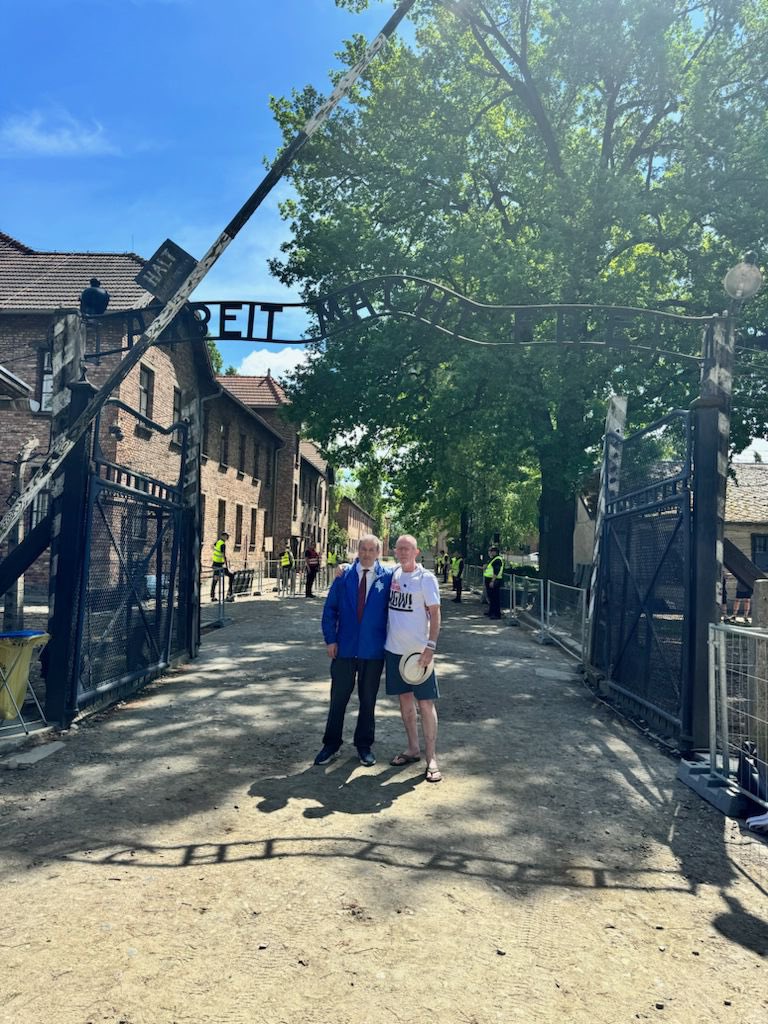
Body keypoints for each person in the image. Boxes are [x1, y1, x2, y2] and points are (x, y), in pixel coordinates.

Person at [316, 534, 392, 767]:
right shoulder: (344, 576)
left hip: (373, 650)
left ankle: (364, 744)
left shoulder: (389, 578)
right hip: (345, 649)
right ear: (357, 550)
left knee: (368, 700)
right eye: (363, 549)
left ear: (378, 552)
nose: (367, 553)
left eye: (372, 550)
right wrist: (330, 640)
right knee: (338, 699)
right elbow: (330, 610)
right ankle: (331, 744)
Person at [386, 534, 443, 783]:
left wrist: (430, 646)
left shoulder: (426, 578)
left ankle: (431, 757)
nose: (403, 552)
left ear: (416, 552)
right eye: (399, 549)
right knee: (405, 702)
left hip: (419, 653)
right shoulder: (393, 575)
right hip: (395, 651)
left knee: (426, 704)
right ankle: (413, 748)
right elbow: (367, 567)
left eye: (407, 548)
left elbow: (435, 613)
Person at [210, 531, 235, 602]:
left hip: (215, 564)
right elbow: (224, 555)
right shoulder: (223, 544)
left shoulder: (218, 542)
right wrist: (227, 566)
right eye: (226, 537)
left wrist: (214, 551)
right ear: (223, 536)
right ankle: (229, 593)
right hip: (220, 565)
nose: (227, 538)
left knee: (215, 579)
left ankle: (212, 596)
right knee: (231, 575)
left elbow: (212, 546)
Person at [484, 544, 505, 620]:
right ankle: (491, 611)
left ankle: (496, 614)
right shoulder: (494, 559)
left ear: (495, 552)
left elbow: (496, 571)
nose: (489, 553)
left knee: (495, 598)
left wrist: (492, 581)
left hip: (494, 580)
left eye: (490, 551)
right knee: (491, 597)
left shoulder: (498, 559)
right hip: (490, 579)